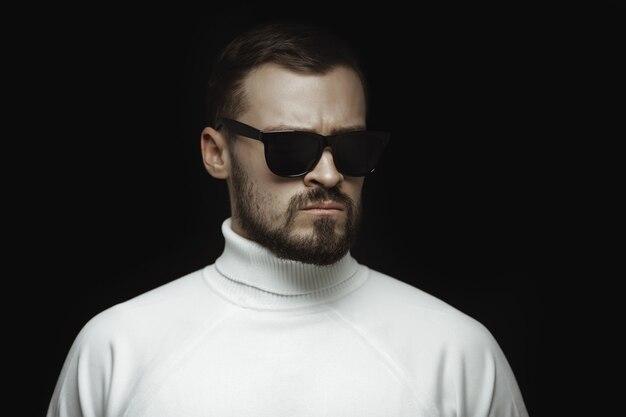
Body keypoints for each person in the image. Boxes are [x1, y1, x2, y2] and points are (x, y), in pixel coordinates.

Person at [47, 21, 529, 417]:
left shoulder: (458, 354)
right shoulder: (116, 351)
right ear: (217, 153)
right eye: (289, 147)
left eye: (352, 148)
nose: (328, 173)